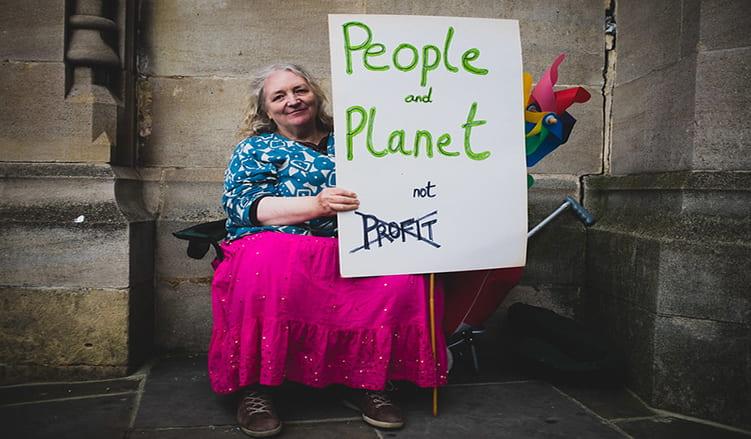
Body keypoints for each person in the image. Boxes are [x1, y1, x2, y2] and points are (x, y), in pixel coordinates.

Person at [209, 64, 451, 438]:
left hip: (357, 241)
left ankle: (370, 382)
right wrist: (317, 205)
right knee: (270, 259)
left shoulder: (357, 136)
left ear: (315, 93)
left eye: (299, 89)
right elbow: (244, 205)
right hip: (281, 240)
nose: (293, 101)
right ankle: (256, 388)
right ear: (266, 110)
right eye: (279, 96)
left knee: (404, 273)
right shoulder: (256, 148)